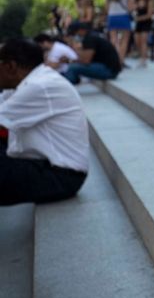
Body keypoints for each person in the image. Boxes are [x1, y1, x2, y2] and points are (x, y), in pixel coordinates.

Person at [0, 38, 88, 206]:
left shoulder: (40, 86)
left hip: (61, 176)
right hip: (46, 166)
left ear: (10, 66)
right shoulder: (28, 82)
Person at [105, 0, 134, 64]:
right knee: (124, 40)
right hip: (123, 16)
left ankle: (113, 59)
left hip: (112, 16)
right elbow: (130, 7)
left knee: (113, 39)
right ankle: (121, 60)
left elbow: (106, 7)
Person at [132, 0, 154, 67]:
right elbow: (132, 10)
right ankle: (141, 56)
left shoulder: (149, 1)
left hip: (146, 22)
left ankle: (143, 59)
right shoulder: (136, 1)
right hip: (138, 23)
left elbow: (149, 14)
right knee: (137, 41)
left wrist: (139, 18)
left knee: (143, 41)